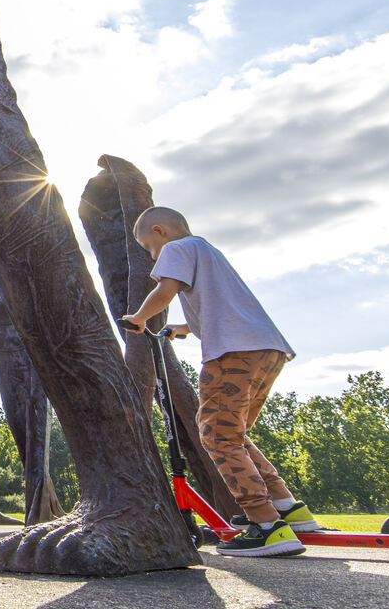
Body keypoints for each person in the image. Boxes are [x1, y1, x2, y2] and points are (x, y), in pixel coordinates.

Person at [121, 206, 318, 557]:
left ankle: (266, 526)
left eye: (148, 246)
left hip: (233, 353)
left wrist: (139, 317)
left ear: (160, 230)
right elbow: (220, 306)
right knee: (232, 434)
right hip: (267, 349)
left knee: (216, 435)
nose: (152, 255)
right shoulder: (207, 251)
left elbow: (165, 291)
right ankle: (287, 507)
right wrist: (183, 327)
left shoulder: (176, 248)